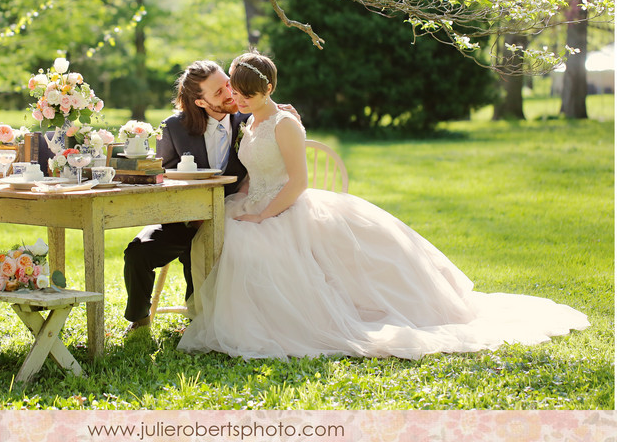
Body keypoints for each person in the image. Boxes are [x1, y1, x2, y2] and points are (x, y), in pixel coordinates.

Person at [178, 51, 590, 359]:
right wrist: (245, 201)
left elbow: (298, 183)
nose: (240, 100)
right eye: (237, 93)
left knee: (253, 242)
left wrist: (262, 214)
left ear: (268, 88)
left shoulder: (286, 123)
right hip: (256, 201)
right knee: (226, 233)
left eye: (248, 94)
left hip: (287, 207)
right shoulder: (248, 121)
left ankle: (291, 321)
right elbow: (254, 169)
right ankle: (246, 316)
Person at [122, 59, 298, 333]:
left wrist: (290, 113)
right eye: (219, 92)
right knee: (137, 253)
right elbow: (157, 175)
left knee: (201, 253)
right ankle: (139, 319)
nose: (230, 93)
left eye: (228, 85)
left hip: (230, 217)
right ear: (201, 102)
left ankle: (203, 321)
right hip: (183, 219)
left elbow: (271, 112)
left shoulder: (248, 118)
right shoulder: (174, 128)